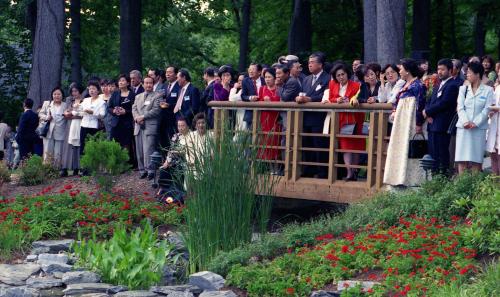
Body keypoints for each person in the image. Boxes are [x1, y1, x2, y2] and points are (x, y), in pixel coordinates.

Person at [384, 58, 427, 186]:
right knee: (402, 147)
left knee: (412, 148)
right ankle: (400, 177)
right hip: (402, 121)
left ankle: (414, 179)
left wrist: (419, 123)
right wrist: (394, 110)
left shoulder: (418, 85)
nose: (400, 71)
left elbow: (421, 105)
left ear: (407, 70)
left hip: (411, 121)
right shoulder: (404, 85)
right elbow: (397, 101)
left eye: (401, 69)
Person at [322, 62, 362, 181]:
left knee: (356, 146)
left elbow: (358, 98)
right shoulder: (332, 84)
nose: (340, 77)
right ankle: (349, 172)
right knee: (345, 146)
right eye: (338, 75)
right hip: (340, 119)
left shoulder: (356, 85)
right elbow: (330, 98)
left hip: (355, 118)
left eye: (342, 74)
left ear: (347, 74)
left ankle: (355, 171)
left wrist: (350, 100)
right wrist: (337, 100)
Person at [455, 61, 495, 174]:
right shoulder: (463, 89)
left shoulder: (488, 90)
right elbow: (460, 107)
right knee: (462, 159)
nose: (467, 75)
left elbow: (487, 109)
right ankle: (462, 186)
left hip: (478, 128)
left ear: (477, 74)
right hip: (463, 128)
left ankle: (474, 187)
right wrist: (466, 122)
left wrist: (475, 123)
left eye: (469, 73)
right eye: (467, 73)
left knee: (476, 160)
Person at [296, 52, 330, 178]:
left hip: (319, 117)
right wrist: (299, 97)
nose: (309, 65)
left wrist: (309, 99)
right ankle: (309, 169)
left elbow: (326, 96)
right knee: (307, 143)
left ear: (320, 65)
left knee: (319, 143)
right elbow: (303, 93)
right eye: (309, 62)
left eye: (312, 62)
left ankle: (322, 171)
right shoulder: (306, 79)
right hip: (306, 116)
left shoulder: (328, 78)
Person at [423, 59, 459, 175]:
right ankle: (435, 178)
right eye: (438, 69)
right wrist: (427, 112)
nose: (440, 72)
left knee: (442, 152)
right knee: (433, 153)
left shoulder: (453, 85)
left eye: (443, 69)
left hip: (443, 124)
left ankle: (443, 177)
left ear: (450, 70)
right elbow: (430, 100)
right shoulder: (438, 84)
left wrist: (428, 112)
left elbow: (444, 103)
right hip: (432, 123)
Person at [132, 76, 162, 180]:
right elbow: (134, 108)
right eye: (146, 83)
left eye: (150, 83)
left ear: (153, 84)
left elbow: (156, 110)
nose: (148, 85)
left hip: (150, 126)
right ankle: (142, 170)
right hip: (138, 126)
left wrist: (143, 116)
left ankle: (151, 171)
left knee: (149, 150)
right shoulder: (138, 96)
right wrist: (136, 117)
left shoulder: (158, 96)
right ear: (143, 84)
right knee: (139, 150)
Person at [257, 68, 281, 174]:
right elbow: (259, 101)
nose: (267, 79)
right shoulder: (262, 89)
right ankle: (270, 168)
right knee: (266, 143)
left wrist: (271, 101)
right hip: (264, 119)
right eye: (265, 77)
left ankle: (277, 168)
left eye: (269, 77)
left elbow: (280, 101)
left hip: (275, 119)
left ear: (274, 78)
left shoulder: (279, 89)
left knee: (275, 143)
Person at [39, 87, 68, 168]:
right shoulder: (47, 104)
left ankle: (56, 170)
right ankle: (47, 169)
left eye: (59, 94)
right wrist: (46, 117)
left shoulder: (65, 105)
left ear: (62, 95)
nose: (56, 96)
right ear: (52, 95)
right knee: (47, 151)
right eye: (54, 94)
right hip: (48, 131)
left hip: (61, 131)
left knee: (58, 152)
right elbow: (40, 114)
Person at [158, 118, 191, 190]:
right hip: (174, 161)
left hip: (186, 162)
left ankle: (177, 192)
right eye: (179, 126)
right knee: (163, 169)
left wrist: (176, 152)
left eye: (183, 126)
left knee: (177, 169)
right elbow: (170, 150)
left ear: (188, 126)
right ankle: (163, 190)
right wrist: (167, 162)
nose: (180, 128)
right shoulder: (176, 136)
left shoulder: (192, 136)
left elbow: (189, 151)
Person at [60, 83, 84, 176]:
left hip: (80, 125)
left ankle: (77, 167)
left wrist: (72, 115)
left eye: (76, 91)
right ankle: (65, 167)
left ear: (80, 91)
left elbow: (82, 114)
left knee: (78, 146)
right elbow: (66, 113)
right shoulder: (69, 101)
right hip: (70, 125)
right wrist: (70, 114)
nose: (74, 93)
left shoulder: (84, 101)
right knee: (68, 146)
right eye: (72, 91)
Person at [108, 74, 136, 152]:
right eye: (119, 81)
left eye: (123, 80)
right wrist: (113, 111)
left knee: (126, 146)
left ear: (127, 83)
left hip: (127, 125)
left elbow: (135, 110)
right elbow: (109, 108)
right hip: (116, 124)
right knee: (114, 145)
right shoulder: (115, 93)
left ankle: (126, 163)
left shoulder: (132, 95)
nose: (120, 82)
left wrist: (125, 112)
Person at [79, 81, 106, 155]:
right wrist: (76, 107)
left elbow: (102, 115)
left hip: (94, 126)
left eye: (93, 89)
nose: (91, 90)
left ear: (98, 90)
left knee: (93, 145)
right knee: (83, 145)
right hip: (84, 125)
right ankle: (83, 165)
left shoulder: (101, 102)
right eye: (90, 89)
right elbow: (79, 110)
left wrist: (93, 112)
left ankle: (92, 165)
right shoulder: (86, 100)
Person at [159, 65, 181, 150]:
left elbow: (180, 102)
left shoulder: (179, 86)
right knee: (164, 143)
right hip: (163, 119)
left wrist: (169, 105)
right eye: (166, 72)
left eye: (170, 72)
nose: (167, 74)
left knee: (173, 143)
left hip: (173, 118)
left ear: (176, 74)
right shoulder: (164, 86)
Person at [241, 63, 265, 128]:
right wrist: (250, 98)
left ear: (259, 72)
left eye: (253, 69)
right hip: (250, 112)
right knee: (250, 134)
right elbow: (243, 96)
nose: (251, 71)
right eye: (249, 69)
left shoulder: (264, 80)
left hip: (264, 111)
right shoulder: (245, 81)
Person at [486, 71, 500, 175]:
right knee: (493, 151)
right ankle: (494, 183)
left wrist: (491, 107)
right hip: (494, 122)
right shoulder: (497, 88)